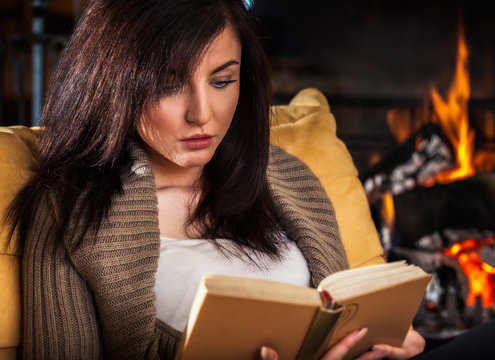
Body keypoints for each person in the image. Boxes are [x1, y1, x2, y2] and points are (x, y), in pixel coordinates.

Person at [6, 0, 424, 359]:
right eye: (169, 85)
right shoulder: (73, 210)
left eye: (222, 80)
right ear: (114, 85)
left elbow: (341, 312)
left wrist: (384, 343)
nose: (202, 113)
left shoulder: (289, 177)